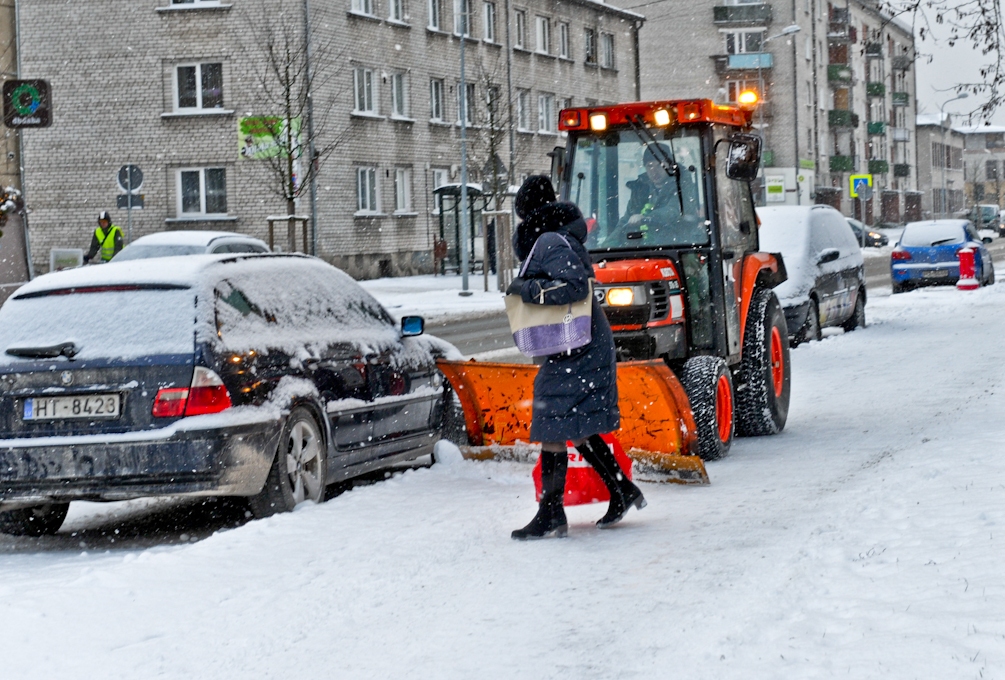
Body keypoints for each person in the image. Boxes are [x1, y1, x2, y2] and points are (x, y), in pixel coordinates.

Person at [508, 175, 646, 540]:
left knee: (552, 412)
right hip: (578, 337)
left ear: (530, 213)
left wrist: (527, 288)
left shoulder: (550, 240)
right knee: (575, 422)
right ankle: (621, 489)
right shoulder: (555, 237)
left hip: (579, 339)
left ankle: (552, 512)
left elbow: (572, 287)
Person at [601, 143, 703, 247]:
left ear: (669, 165)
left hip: (678, 245)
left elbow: (673, 211)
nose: (654, 171)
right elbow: (627, 219)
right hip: (643, 248)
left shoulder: (682, 185)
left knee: (689, 260)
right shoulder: (641, 189)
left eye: (660, 165)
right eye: (649, 166)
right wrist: (607, 246)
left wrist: (646, 218)